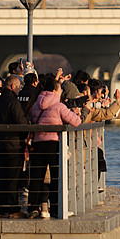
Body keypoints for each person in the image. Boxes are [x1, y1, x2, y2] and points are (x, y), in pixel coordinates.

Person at [28, 76, 81, 219]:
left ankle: (33, 208)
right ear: (54, 90)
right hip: (53, 144)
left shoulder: (35, 105)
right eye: (59, 89)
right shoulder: (59, 106)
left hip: (37, 144)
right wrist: (77, 113)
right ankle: (57, 208)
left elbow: (32, 121)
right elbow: (76, 122)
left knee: (36, 178)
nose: (60, 91)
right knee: (56, 178)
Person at [0, 75, 28, 218]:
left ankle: (0, 209)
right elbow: (21, 122)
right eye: (18, 87)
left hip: (0, 144)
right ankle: (12, 210)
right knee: (12, 178)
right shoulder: (13, 102)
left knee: (2, 177)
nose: (19, 90)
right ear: (12, 86)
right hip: (14, 144)